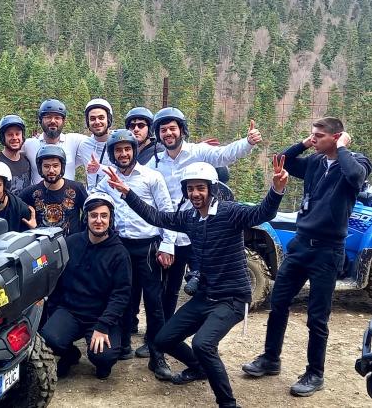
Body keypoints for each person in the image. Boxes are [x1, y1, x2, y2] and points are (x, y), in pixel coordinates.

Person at [104, 158, 288, 408]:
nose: (195, 193)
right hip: (205, 296)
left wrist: (276, 189)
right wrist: (127, 193)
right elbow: (156, 216)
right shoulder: (190, 217)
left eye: (200, 188)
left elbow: (262, 212)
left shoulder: (230, 212)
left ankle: (228, 403)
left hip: (232, 298)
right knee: (162, 339)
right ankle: (198, 368)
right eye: (190, 188)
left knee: (203, 344)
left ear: (212, 188)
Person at [242, 118, 372, 397]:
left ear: (336, 137)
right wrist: (303, 143)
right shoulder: (314, 162)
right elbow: (282, 160)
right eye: (311, 135)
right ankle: (270, 359)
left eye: (318, 136)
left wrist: (343, 148)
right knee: (278, 304)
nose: (313, 139)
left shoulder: (356, 161)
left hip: (328, 250)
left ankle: (315, 373)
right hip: (301, 245)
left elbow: (355, 178)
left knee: (317, 317)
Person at [148, 107, 262, 336]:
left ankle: (204, 338)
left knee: (204, 286)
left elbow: (224, 155)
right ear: (158, 134)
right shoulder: (155, 162)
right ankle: (162, 335)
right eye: (163, 130)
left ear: (182, 130)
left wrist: (247, 143)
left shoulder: (197, 151)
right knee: (167, 289)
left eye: (173, 128)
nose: (168, 133)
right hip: (172, 230)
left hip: (200, 230)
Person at [94, 128, 176, 378]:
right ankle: (124, 346)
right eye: (118, 150)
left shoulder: (151, 176)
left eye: (127, 149)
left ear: (134, 151)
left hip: (148, 245)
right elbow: (95, 201)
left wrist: (168, 244)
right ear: (113, 153)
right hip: (120, 246)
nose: (123, 153)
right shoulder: (106, 179)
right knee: (123, 297)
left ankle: (157, 355)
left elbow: (166, 211)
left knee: (154, 302)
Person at [41, 192, 132, 380]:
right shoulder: (70, 243)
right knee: (49, 338)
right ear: (86, 218)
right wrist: (53, 312)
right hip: (70, 311)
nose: (98, 220)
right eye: (93, 215)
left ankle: (103, 362)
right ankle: (69, 355)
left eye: (104, 216)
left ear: (110, 219)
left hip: (101, 315)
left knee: (103, 356)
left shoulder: (120, 253)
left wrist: (103, 325)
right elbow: (56, 281)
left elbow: (121, 295)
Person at [0, 99, 87, 183]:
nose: (53, 121)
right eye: (48, 117)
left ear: (63, 121)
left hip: (67, 202)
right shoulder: (29, 144)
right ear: (40, 121)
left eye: (57, 117)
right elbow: (11, 148)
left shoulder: (75, 141)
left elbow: (97, 142)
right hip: (36, 203)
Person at [19, 145, 87, 237]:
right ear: (40, 168)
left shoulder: (77, 188)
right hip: (42, 247)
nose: (51, 170)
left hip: (72, 247)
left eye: (55, 166)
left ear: (62, 167)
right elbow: (11, 208)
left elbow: (90, 212)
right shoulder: (30, 193)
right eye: (46, 166)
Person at [76, 98, 114, 191]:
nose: (97, 122)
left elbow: (126, 173)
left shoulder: (119, 143)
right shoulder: (84, 145)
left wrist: (100, 168)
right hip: (92, 198)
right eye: (92, 119)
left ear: (108, 119)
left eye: (101, 118)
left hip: (116, 199)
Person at [0, 114, 31, 195]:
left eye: (17, 134)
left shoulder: (27, 161)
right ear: (3, 137)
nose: (14, 138)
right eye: (10, 134)